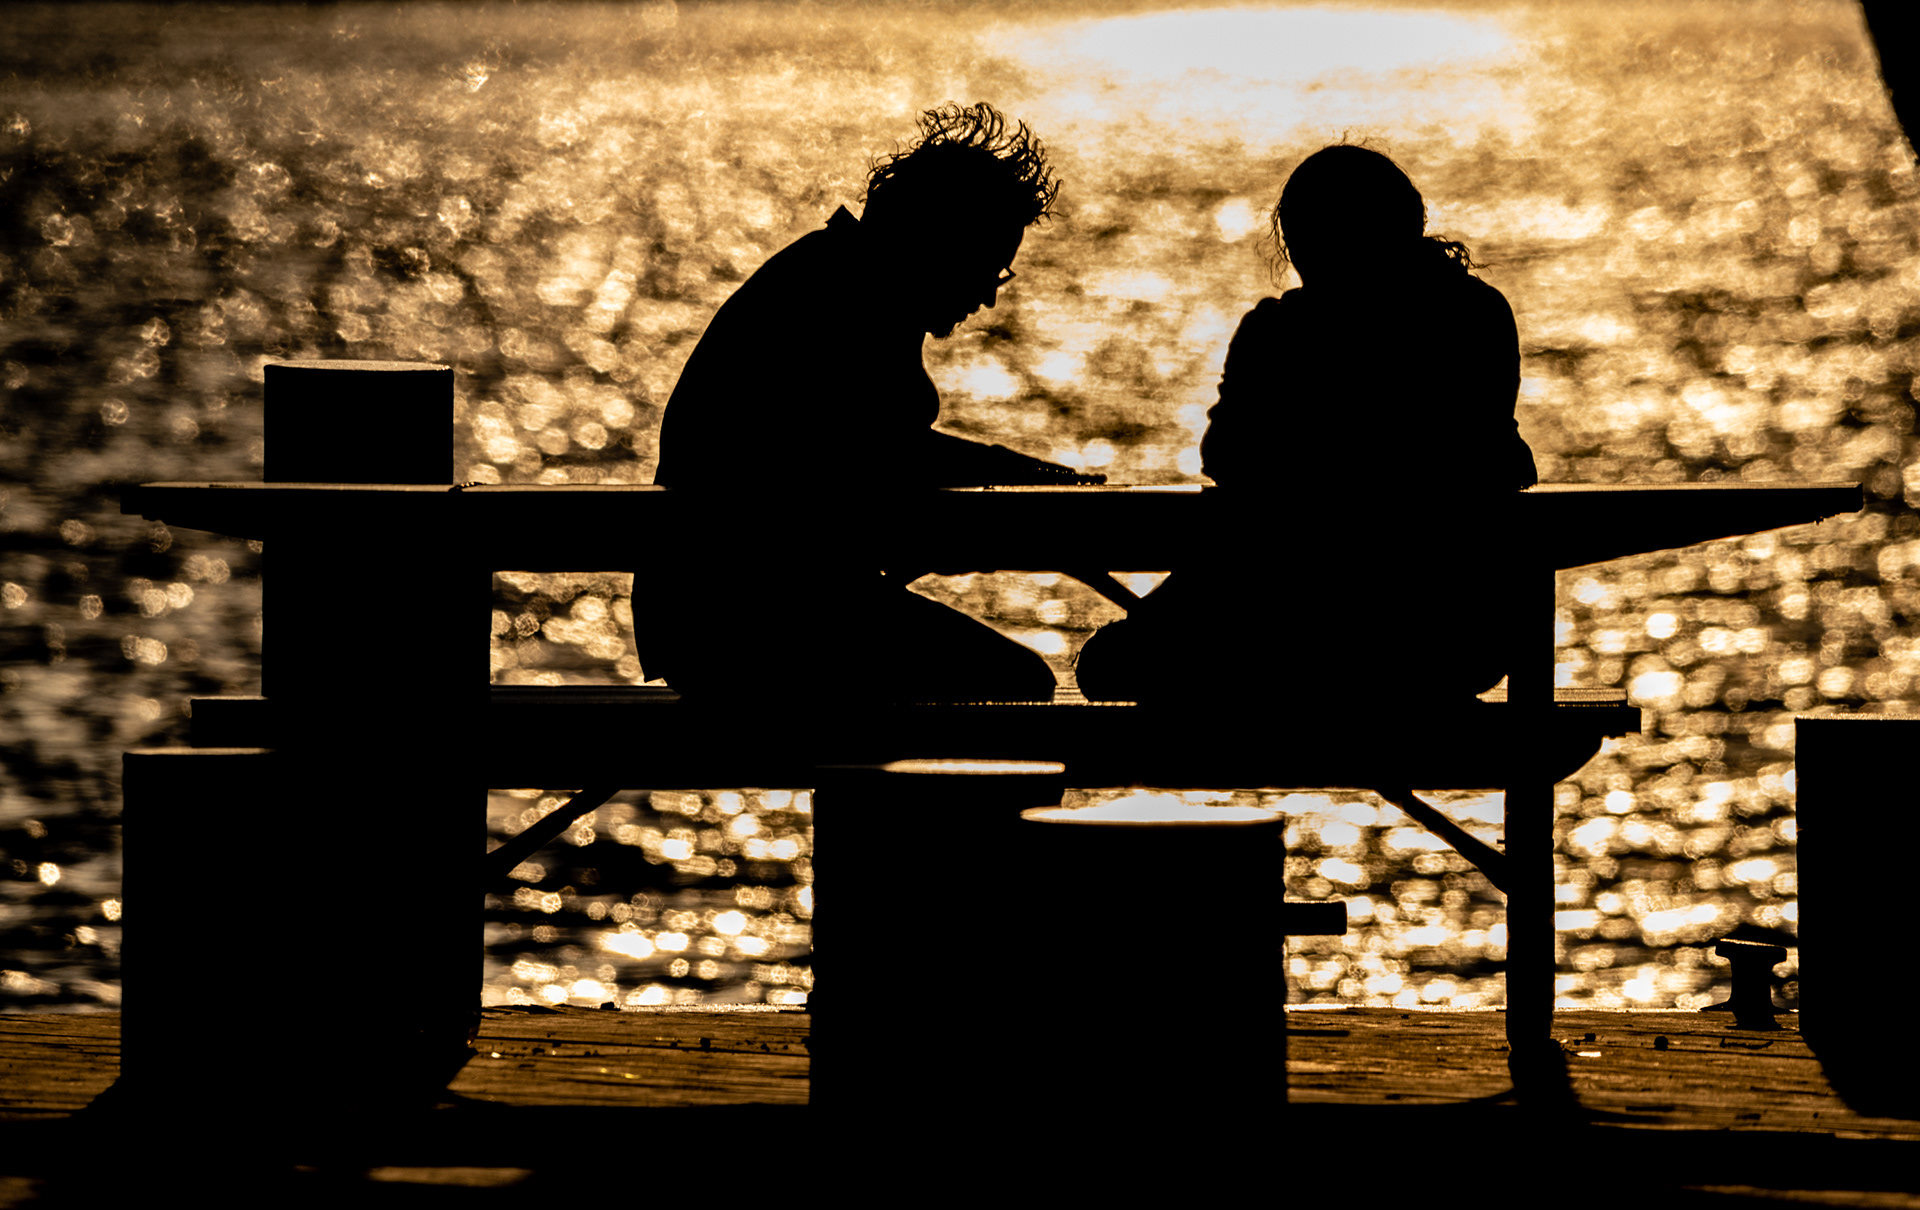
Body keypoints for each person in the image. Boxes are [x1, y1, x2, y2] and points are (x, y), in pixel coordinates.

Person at [640, 102, 1091, 703]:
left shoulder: (836, 276)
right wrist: (1030, 479)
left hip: (729, 609)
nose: (988, 295)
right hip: (749, 616)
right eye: (988, 266)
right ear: (938, 240)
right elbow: (881, 455)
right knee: (1017, 685)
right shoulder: (837, 299)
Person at [1074, 143, 1537, 705]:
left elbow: (1224, 456)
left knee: (1110, 667)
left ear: (1301, 246)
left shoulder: (1277, 335)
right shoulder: (1477, 316)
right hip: (1461, 634)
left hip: (1296, 614)